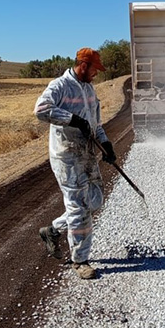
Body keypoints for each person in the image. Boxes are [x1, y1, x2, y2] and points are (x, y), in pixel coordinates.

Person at [34, 48, 117, 280]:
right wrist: (71, 119)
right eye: (94, 69)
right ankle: (80, 261)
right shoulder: (60, 86)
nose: (96, 74)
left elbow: (95, 123)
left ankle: (52, 230)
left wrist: (106, 144)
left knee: (95, 200)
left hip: (87, 154)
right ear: (83, 65)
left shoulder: (90, 89)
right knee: (79, 207)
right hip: (67, 156)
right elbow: (41, 110)